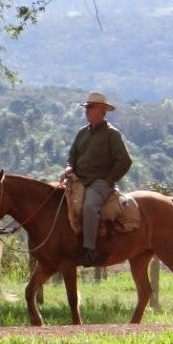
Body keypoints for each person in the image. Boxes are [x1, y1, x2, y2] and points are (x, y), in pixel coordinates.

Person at [64, 91, 133, 267]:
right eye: (87, 108)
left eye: (91, 108)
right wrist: (69, 167)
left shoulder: (112, 134)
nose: (87, 111)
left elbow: (125, 160)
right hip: (78, 179)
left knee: (89, 207)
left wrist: (109, 179)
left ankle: (88, 250)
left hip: (100, 183)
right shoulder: (82, 133)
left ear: (102, 110)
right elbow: (72, 155)